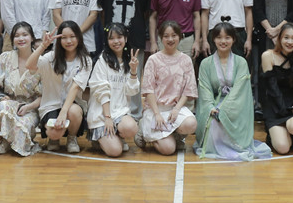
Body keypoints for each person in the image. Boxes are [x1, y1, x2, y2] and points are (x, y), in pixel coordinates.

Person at [195, 22, 272, 161]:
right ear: (213, 39)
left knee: (223, 115)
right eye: (219, 37)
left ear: (234, 39)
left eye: (227, 37)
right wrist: (210, 107)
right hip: (214, 103)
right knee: (213, 121)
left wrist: (225, 109)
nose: (223, 41)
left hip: (237, 104)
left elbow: (240, 90)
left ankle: (236, 145)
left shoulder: (241, 62)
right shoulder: (205, 63)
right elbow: (205, 89)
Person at [27, 21, 92, 153]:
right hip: (51, 104)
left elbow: (75, 87)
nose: (69, 41)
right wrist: (43, 46)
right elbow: (30, 65)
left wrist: (63, 112)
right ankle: (54, 138)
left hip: (73, 105)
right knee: (54, 134)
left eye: (72, 36)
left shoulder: (85, 60)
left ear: (79, 37)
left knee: (74, 111)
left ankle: (72, 138)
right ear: (59, 40)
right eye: (64, 37)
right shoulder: (51, 57)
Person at [138, 22, 198, 155]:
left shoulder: (186, 60)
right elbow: (148, 90)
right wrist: (157, 114)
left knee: (191, 124)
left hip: (174, 110)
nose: (170, 39)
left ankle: (175, 136)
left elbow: (188, 90)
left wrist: (177, 109)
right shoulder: (153, 60)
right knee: (168, 149)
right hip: (155, 109)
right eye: (166, 36)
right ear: (160, 38)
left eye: (174, 35)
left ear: (180, 36)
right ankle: (143, 130)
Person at [0, 22, 43, 156]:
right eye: (17, 36)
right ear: (12, 40)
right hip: (10, 103)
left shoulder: (42, 61)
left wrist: (28, 107)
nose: (21, 39)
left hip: (31, 108)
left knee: (23, 125)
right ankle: (7, 141)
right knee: (2, 107)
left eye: (25, 35)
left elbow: (44, 95)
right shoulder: (5, 58)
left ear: (32, 38)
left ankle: (14, 140)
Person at [87, 23, 141, 157]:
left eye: (119, 37)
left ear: (125, 39)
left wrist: (133, 71)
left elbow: (131, 91)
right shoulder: (102, 60)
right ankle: (99, 139)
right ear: (107, 41)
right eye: (111, 38)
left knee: (132, 127)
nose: (116, 41)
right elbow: (101, 91)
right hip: (102, 115)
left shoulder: (128, 60)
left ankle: (117, 135)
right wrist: (107, 117)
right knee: (115, 151)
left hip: (119, 112)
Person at [260, 23, 293, 154]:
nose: (290, 42)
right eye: (286, 37)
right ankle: (274, 134)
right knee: (283, 148)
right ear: (279, 39)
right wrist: (285, 110)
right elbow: (271, 88)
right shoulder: (268, 56)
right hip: (275, 105)